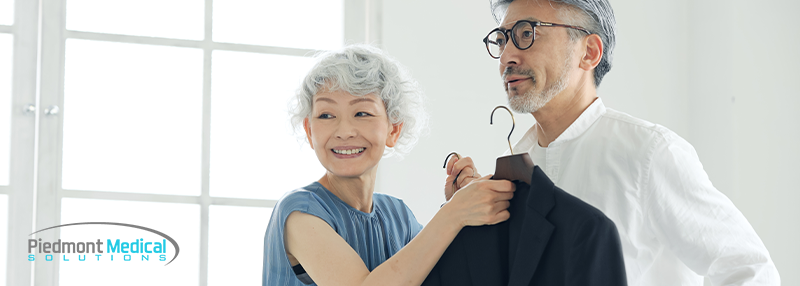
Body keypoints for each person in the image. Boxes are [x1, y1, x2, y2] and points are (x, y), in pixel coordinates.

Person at [445, 0, 781, 285]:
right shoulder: (512, 163)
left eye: (525, 34)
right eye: (502, 39)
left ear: (589, 52)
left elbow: (749, 270)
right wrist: (464, 215)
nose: (507, 57)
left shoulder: (648, 153)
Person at [262, 44, 516, 285]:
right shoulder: (299, 212)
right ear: (309, 131)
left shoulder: (398, 216)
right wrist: (453, 214)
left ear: (393, 129)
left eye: (362, 113)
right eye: (326, 115)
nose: (344, 131)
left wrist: (459, 206)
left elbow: (440, 276)